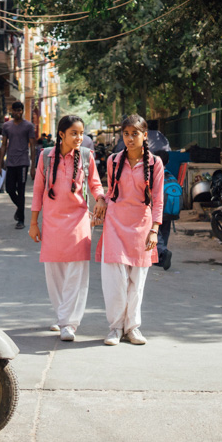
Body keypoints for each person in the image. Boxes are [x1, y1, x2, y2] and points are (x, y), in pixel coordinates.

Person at [29, 115, 106, 342]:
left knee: (77, 273)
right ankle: (62, 314)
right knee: (55, 273)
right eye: (74, 133)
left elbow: (95, 183)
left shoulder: (86, 156)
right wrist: (34, 223)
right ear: (61, 135)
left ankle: (69, 323)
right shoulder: (45, 157)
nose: (79, 138)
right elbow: (37, 192)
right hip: (52, 222)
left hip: (79, 221)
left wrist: (100, 198)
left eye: (81, 133)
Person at [97, 114, 164, 346]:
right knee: (115, 281)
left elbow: (158, 199)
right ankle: (115, 328)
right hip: (115, 225)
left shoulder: (155, 163)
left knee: (137, 281)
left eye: (135, 133)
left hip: (142, 227)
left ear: (144, 136)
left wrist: (155, 229)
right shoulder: (114, 160)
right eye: (126, 134)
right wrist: (101, 201)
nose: (130, 138)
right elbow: (111, 191)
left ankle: (133, 328)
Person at [0, 101, 36, 229]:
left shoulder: (29, 126)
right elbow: (3, 144)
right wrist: (0, 163)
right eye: (15, 110)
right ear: (12, 111)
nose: (18, 113)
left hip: (23, 163)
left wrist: (33, 166)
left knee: (21, 191)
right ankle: (19, 208)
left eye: (20, 110)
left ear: (22, 111)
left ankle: (21, 220)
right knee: (9, 189)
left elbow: (32, 146)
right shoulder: (6, 126)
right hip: (10, 162)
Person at [153, 150, 174, 271]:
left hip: (158, 207)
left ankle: (163, 252)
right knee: (165, 231)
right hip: (170, 208)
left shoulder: (154, 173)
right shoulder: (170, 174)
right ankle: (162, 255)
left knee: (156, 232)